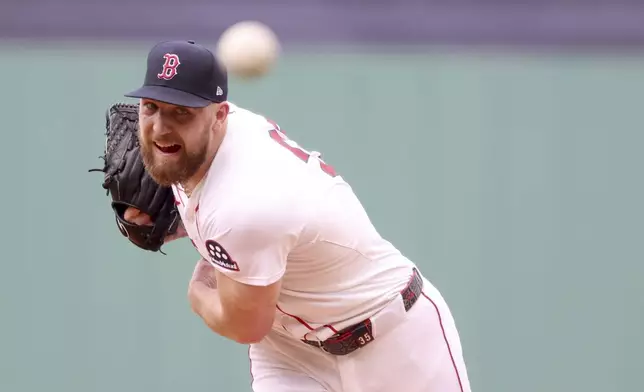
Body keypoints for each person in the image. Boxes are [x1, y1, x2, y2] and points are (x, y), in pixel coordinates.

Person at [122, 39, 472, 392]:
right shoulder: (200, 149)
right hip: (291, 353)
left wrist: (198, 292)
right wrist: (177, 225)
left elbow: (244, 325)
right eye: (151, 106)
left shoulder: (245, 202)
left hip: (394, 342)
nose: (161, 128)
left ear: (220, 116)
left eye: (181, 111)